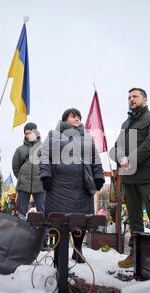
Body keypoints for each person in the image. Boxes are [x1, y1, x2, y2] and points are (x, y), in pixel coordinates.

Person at [110, 88, 150, 268]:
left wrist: (131, 159)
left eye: (135, 96)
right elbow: (117, 146)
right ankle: (134, 255)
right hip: (129, 179)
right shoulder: (125, 123)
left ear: (145, 99)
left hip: (148, 178)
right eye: (129, 97)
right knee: (135, 221)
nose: (131, 99)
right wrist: (120, 158)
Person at [40, 108, 104, 263]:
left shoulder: (87, 138)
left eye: (79, 117)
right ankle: (58, 253)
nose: (77, 119)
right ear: (64, 118)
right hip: (57, 186)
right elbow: (45, 155)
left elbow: (95, 158)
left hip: (81, 187)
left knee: (81, 220)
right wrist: (46, 175)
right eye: (73, 116)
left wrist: (99, 176)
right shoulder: (53, 135)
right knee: (57, 220)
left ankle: (78, 249)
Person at [12, 122, 45, 219]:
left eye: (30, 133)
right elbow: (15, 167)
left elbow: (49, 166)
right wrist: (22, 178)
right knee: (21, 214)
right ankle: (22, 234)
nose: (28, 135)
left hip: (40, 185)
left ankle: (42, 234)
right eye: (26, 133)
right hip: (23, 186)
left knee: (42, 212)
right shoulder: (20, 150)